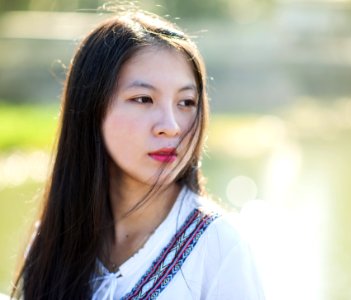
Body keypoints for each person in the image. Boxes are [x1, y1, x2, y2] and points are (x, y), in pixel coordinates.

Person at [12, 10, 264, 300]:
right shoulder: (54, 240)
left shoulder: (220, 247)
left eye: (186, 102)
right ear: (90, 109)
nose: (171, 127)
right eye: (143, 99)